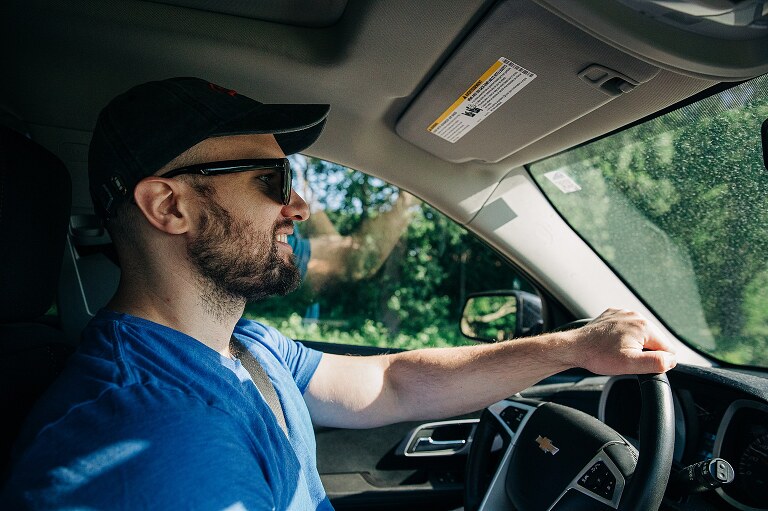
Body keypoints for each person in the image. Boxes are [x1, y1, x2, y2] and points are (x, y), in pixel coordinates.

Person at [0, 77, 677, 510]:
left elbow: (393, 382)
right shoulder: (157, 443)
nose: (296, 207)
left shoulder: (243, 347)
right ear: (169, 207)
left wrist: (577, 344)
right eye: (270, 180)